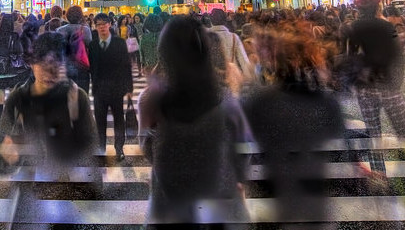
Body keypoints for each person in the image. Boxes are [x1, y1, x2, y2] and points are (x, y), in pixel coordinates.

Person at [138, 15, 249, 226]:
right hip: (217, 198)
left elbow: (147, 148)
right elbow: (243, 147)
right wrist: (237, 176)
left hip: (170, 202)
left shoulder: (151, 99)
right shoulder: (225, 100)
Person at [244, 22, 346, 229]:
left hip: (273, 185)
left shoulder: (262, 101)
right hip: (314, 185)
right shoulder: (324, 102)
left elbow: (252, 132)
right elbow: (335, 134)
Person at [0, 32, 96, 172]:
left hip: (64, 182)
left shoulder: (77, 97)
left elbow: (89, 144)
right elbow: (3, 141)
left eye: (56, 65)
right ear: (32, 64)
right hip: (29, 183)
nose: (49, 73)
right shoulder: (17, 98)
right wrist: (9, 155)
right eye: (43, 64)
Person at [341, 0, 405, 179]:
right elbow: (398, 56)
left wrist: (354, 81)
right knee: (403, 130)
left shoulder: (352, 28)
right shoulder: (387, 26)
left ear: (358, 9)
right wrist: (397, 82)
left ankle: (379, 172)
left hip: (366, 88)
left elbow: (349, 57)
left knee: (374, 133)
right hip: (388, 85)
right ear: (377, 7)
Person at [88, 13, 133, 160]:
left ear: (109, 25)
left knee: (119, 120)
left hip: (116, 89)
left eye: (104, 24)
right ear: (95, 27)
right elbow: (92, 67)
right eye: (98, 24)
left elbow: (127, 66)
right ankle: (100, 149)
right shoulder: (93, 45)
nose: (102, 27)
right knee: (99, 122)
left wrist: (129, 88)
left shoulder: (119, 43)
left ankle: (119, 148)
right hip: (99, 90)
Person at [56, 5, 92, 92]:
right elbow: (90, 47)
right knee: (82, 95)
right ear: (80, 16)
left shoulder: (60, 30)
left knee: (66, 97)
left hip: (64, 68)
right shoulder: (85, 30)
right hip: (82, 67)